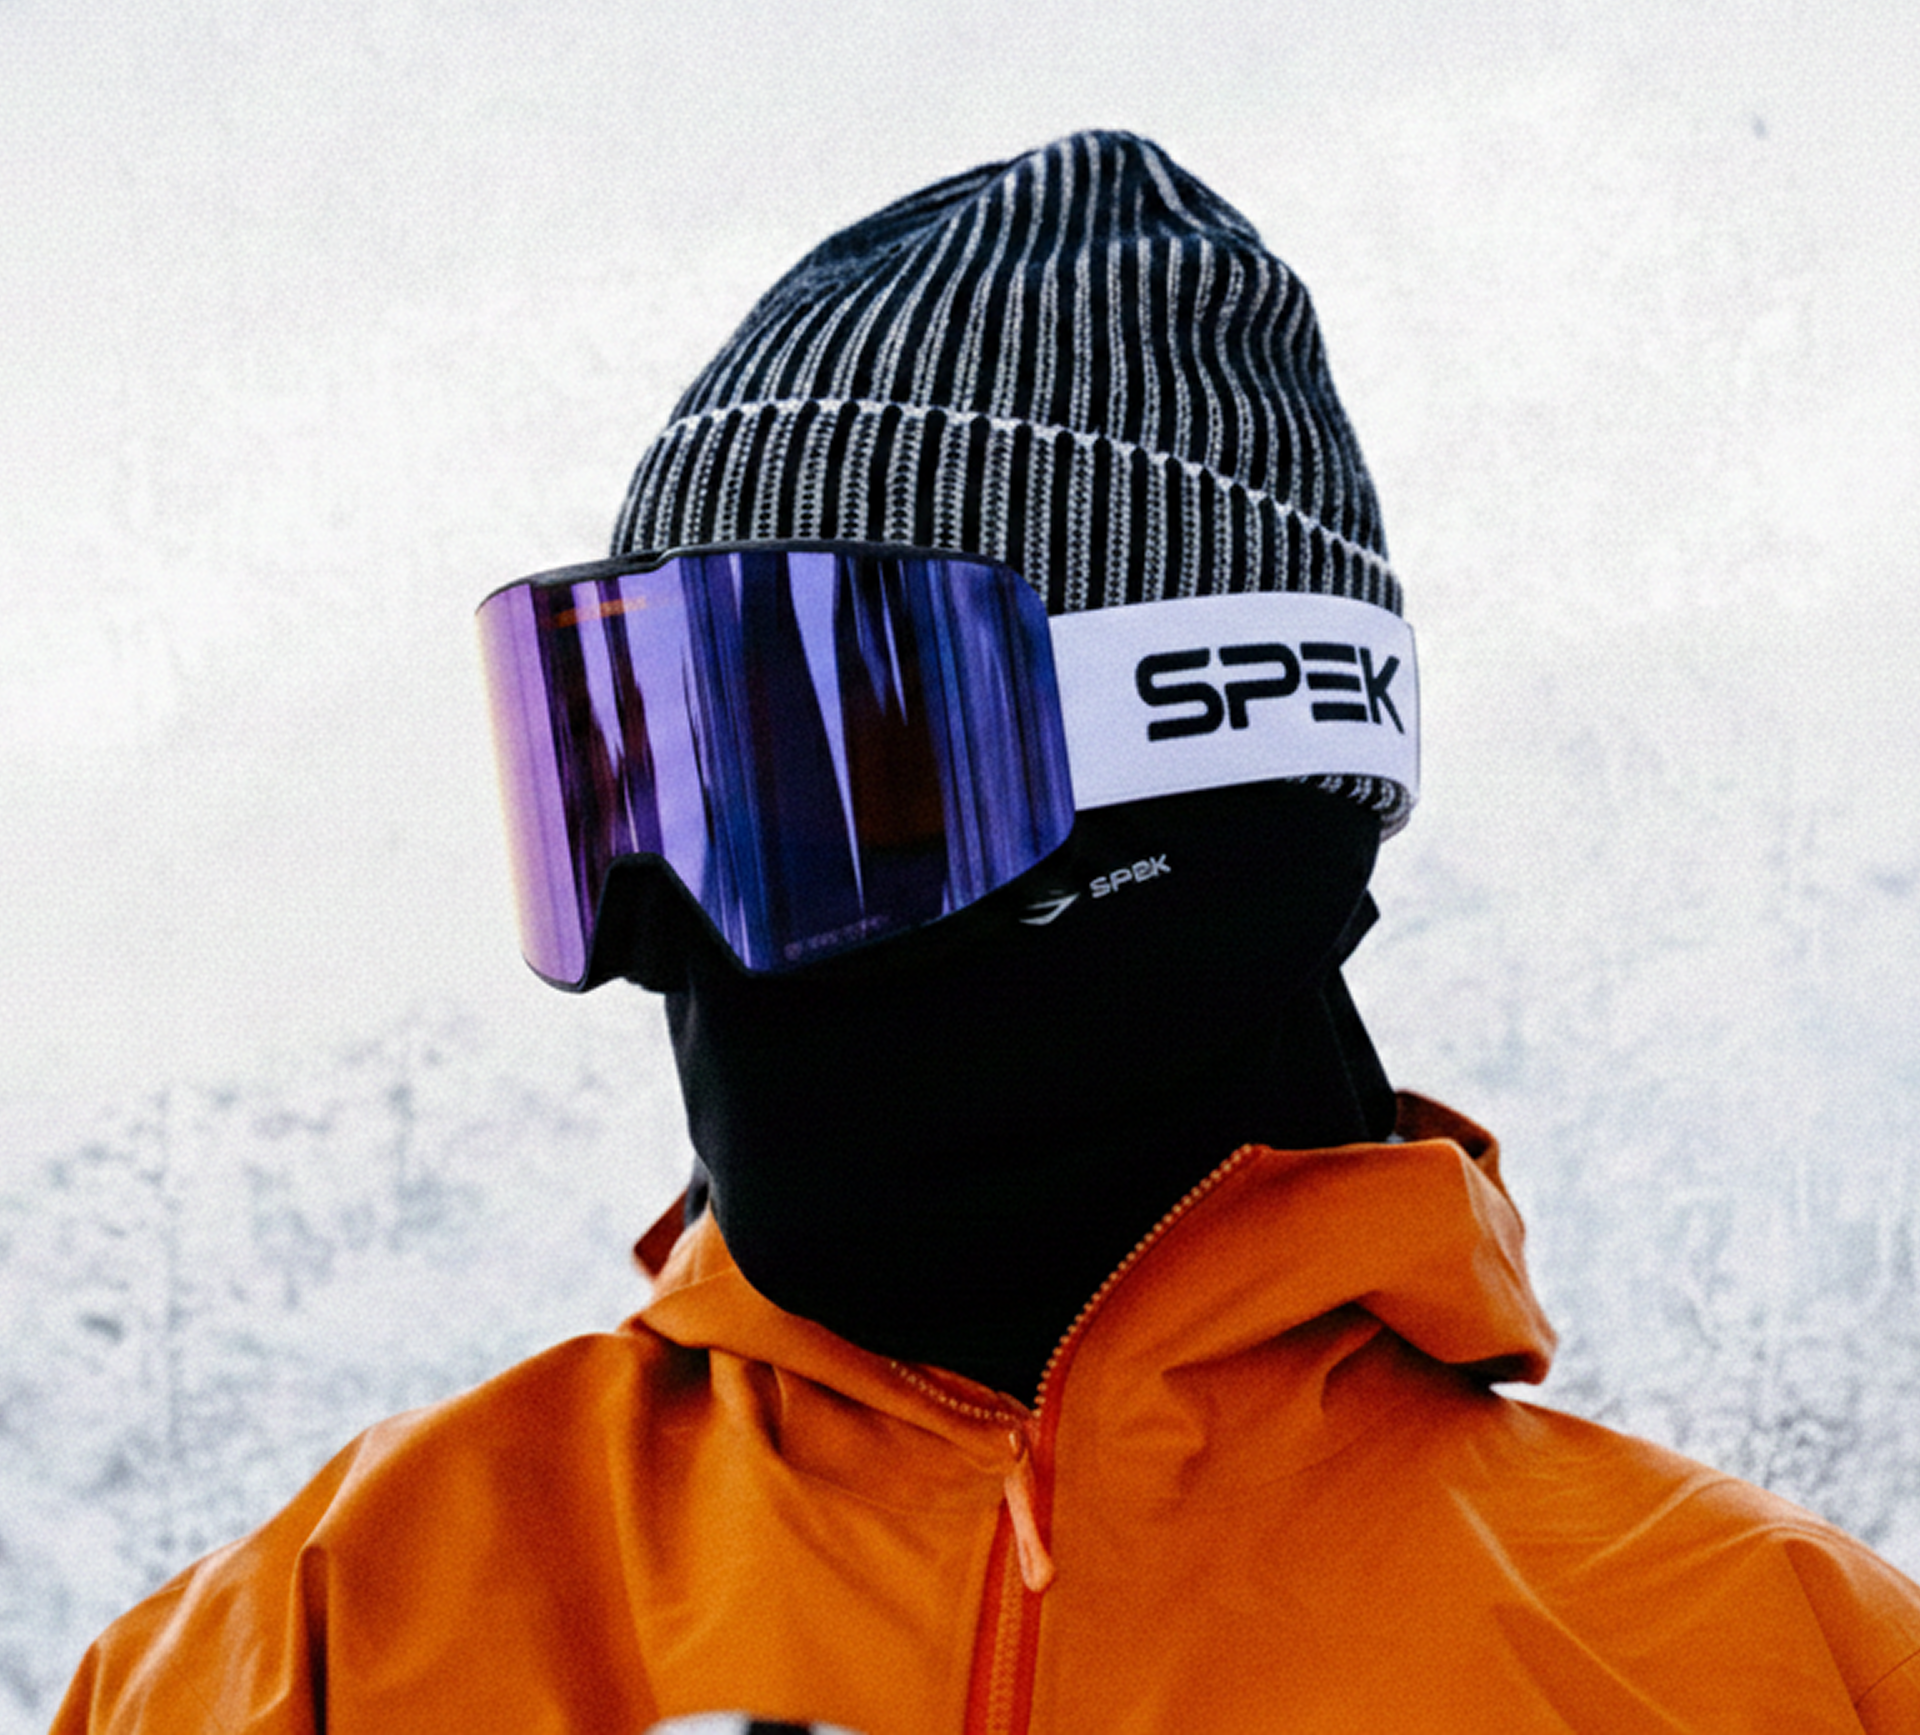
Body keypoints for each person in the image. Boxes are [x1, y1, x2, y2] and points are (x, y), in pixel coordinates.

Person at [54, 131, 1920, 1732]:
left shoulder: (1764, 1670)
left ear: (1215, 775)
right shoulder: (314, 1647)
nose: (680, 937)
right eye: (632, 807)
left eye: (824, 796)